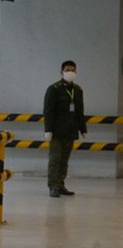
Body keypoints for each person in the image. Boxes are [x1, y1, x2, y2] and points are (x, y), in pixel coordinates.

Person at [44, 60, 86, 197]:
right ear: (61, 72)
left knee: (64, 161)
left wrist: (83, 129)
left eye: (73, 70)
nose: (70, 72)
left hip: (70, 131)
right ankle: (53, 186)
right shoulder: (54, 89)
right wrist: (48, 130)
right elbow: (48, 111)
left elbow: (80, 111)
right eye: (67, 70)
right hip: (56, 131)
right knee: (55, 160)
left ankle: (60, 184)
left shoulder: (78, 90)